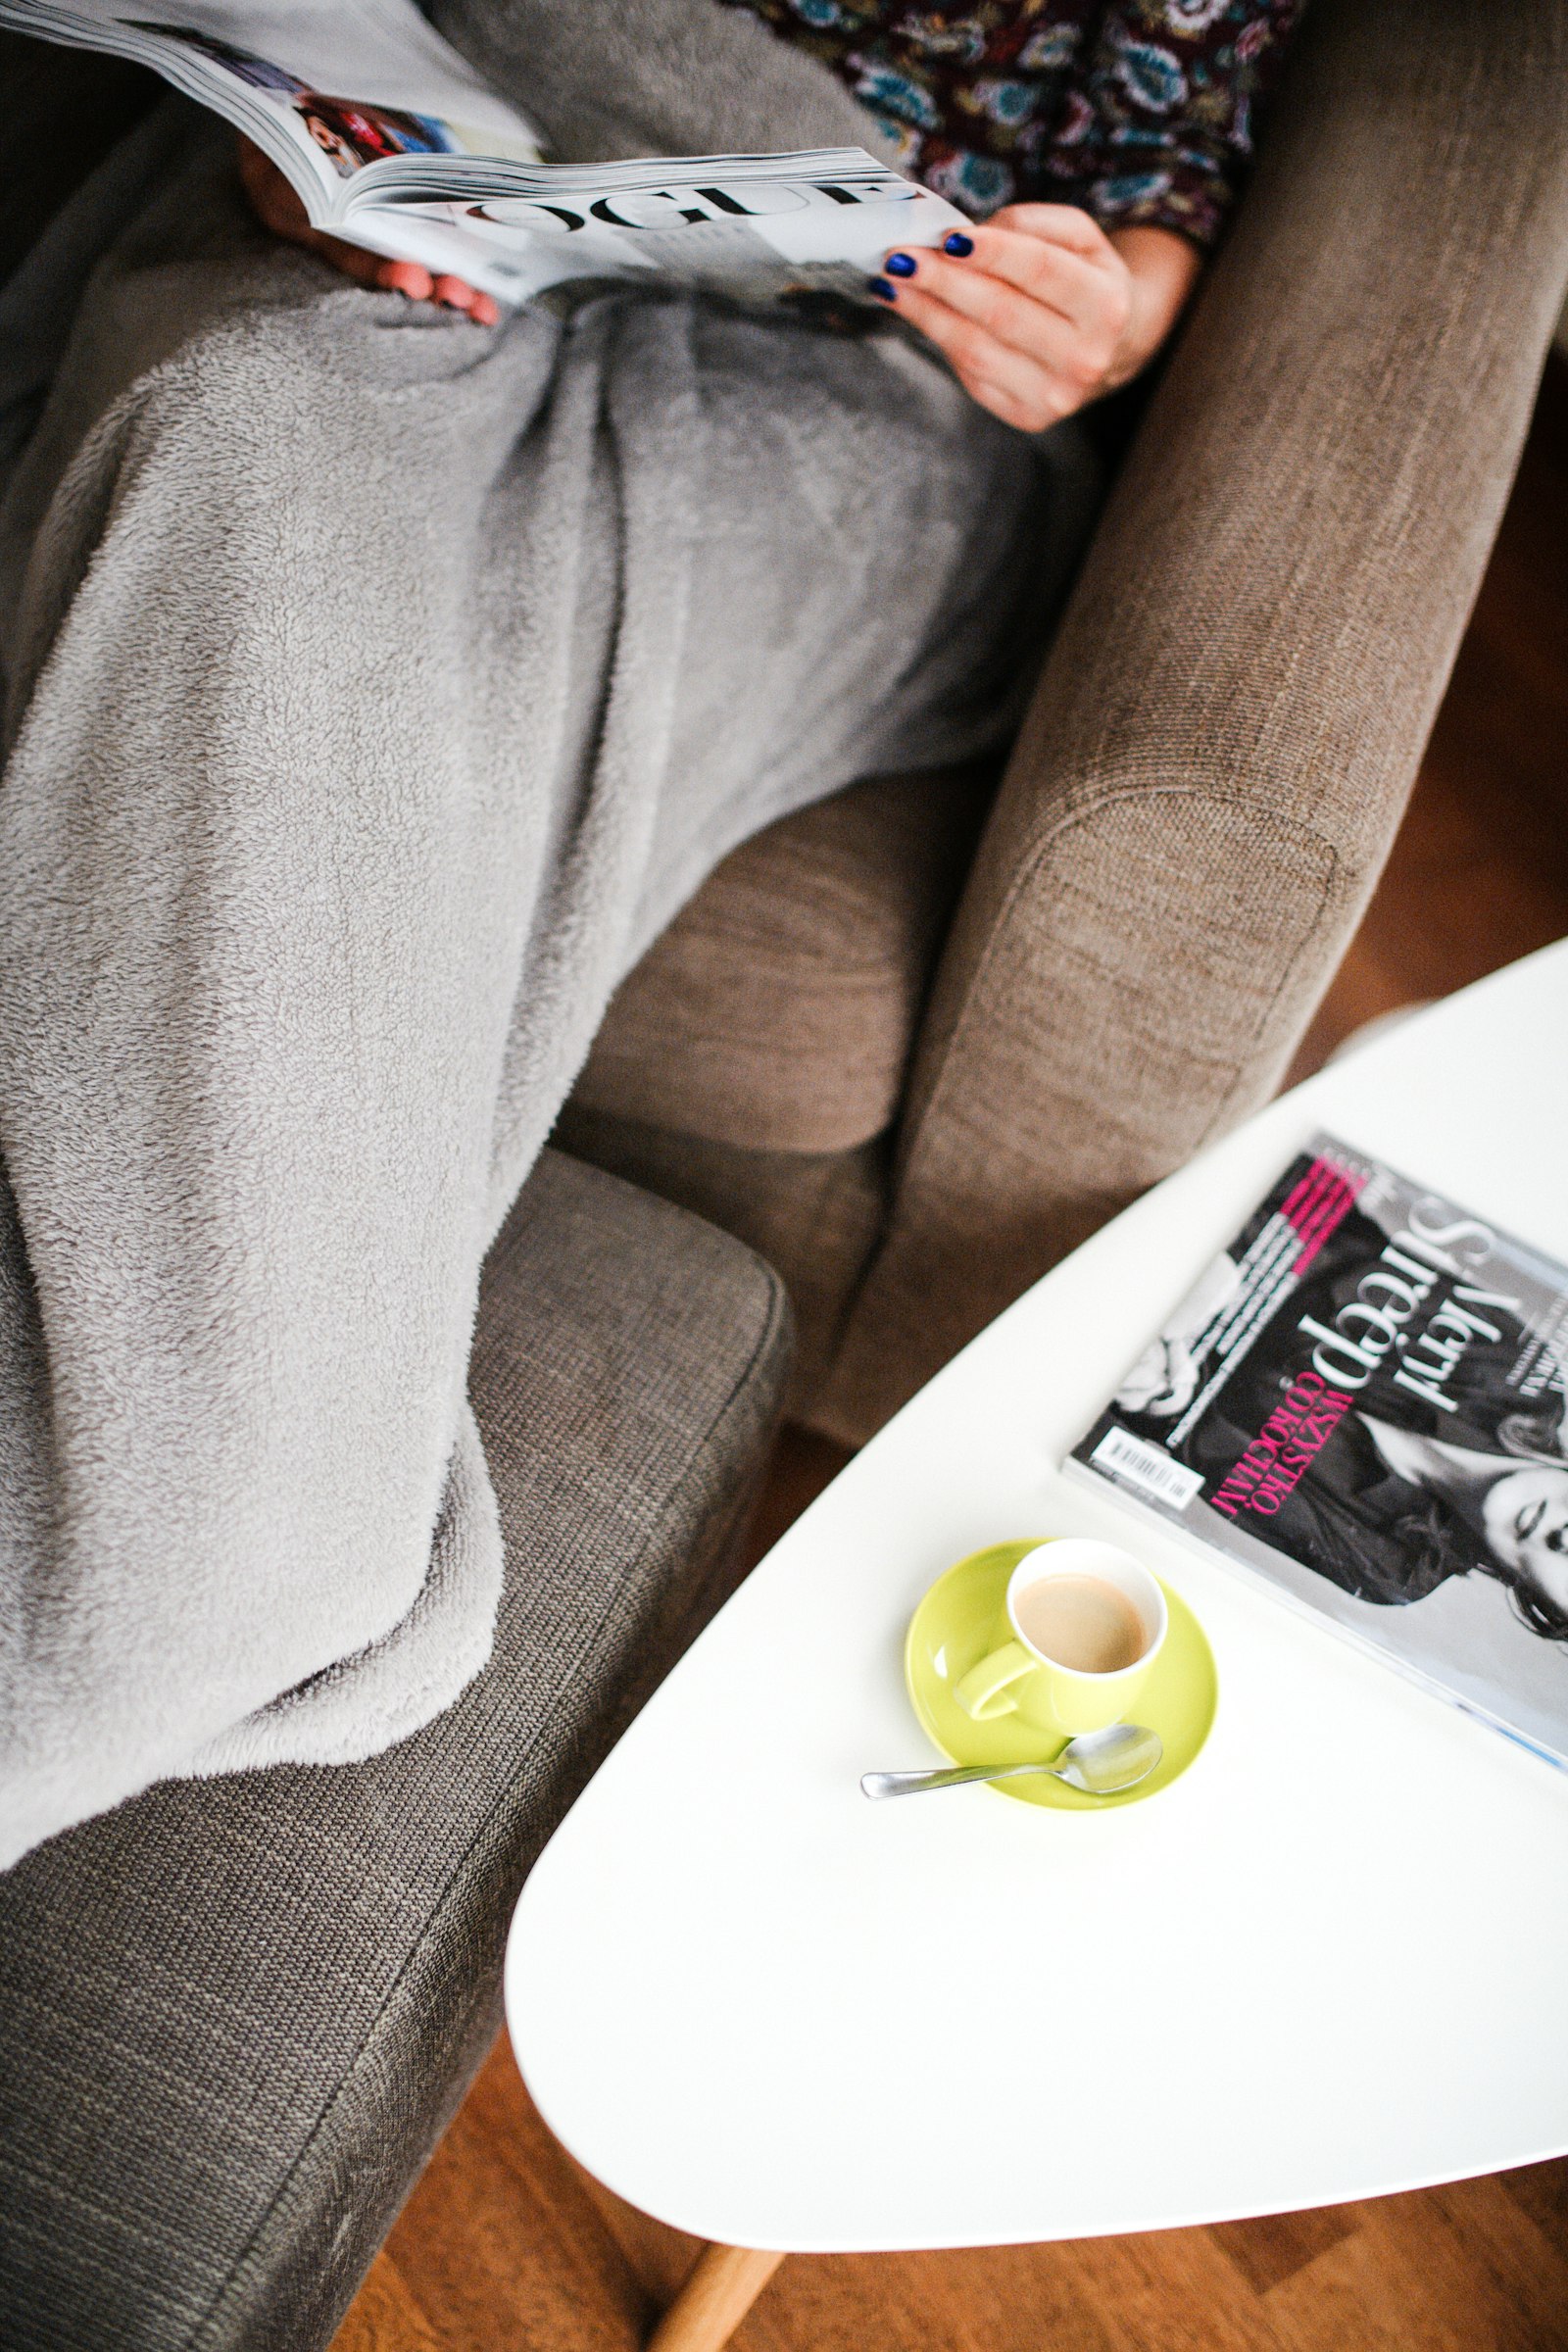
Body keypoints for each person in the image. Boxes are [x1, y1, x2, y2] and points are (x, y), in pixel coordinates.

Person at [0, 0, 1304, 1864]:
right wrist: (324, 177)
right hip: (453, 228)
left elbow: (1175, 185)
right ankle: (250, 1539)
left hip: (875, 379)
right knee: (247, 423)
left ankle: (187, 1567)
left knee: (353, 547)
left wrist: (1102, 322)